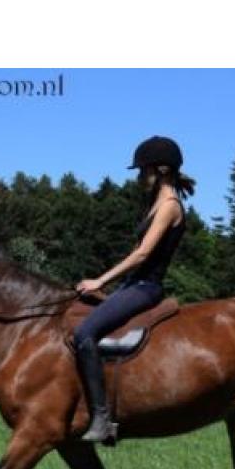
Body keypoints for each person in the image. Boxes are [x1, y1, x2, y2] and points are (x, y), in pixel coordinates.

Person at [73, 135, 196, 444]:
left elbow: (142, 255)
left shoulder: (169, 206)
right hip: (132, 285)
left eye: (144, 171)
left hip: (146, 288)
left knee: (84, 333)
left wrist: (100, 281)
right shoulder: (154, 204)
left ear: (163, 170)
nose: (140, 177)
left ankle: (101, 418)